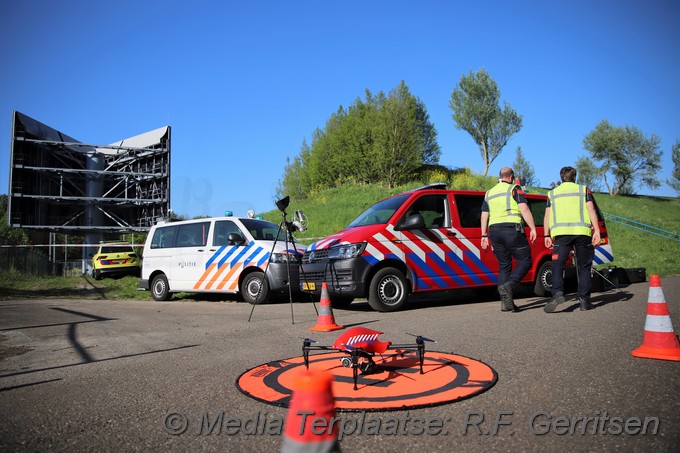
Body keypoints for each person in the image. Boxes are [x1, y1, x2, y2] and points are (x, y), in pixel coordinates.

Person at [543, 166, 601, 313]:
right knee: (584, 267)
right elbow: (591, 210)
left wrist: (546, 235)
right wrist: (597, 230)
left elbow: (547, 216)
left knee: (557, 265)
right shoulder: (583, 190)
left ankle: (557, 293)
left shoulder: (552, 193)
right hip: (582, 233)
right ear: (574, 177)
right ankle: (584, 301)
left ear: (561, 177)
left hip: (561, 234)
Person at [481, 167, 537, 312]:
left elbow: (484, 215)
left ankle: (506, 304)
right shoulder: (515, 188)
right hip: (512, 230)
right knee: (525, 261)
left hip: (494, 232)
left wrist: (484, 235)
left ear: (500, 177)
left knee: (504, 266)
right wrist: (532, 227)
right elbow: (524, 209)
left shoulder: (489, 193)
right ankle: (510, 285)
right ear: (511, 177)